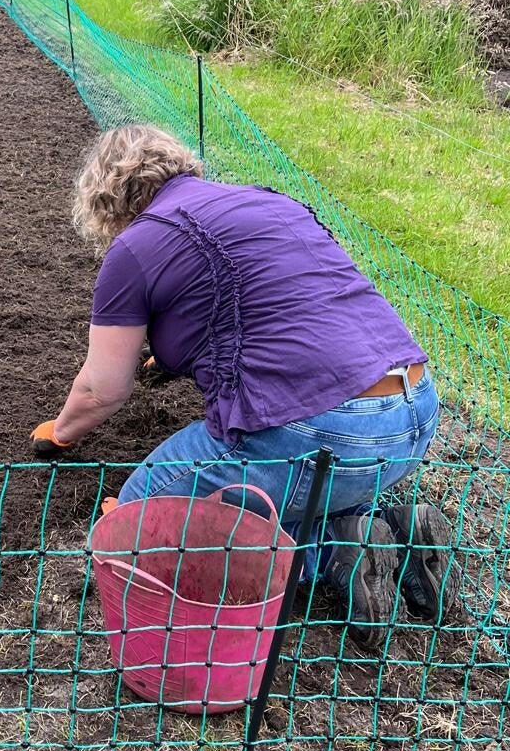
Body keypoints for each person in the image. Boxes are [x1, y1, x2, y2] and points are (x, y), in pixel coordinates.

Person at [31, 123, 456, 646]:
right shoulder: (271, 203)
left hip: (324, 434)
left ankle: (329, 550)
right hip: (413, 418)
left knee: (140, 516)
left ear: (106, 200)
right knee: (294, 490)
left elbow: (102, 389)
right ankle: (386, 536)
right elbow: (285, 306)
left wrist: (62, 432)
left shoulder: (136, 248)